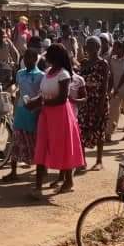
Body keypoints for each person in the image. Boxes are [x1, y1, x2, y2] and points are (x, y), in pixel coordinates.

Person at [28, 43, 84, 198]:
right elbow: (42, 94)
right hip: (46, 115)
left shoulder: (64, 74)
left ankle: (68, 181)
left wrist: (42, 103)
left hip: (61, 116)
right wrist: (33, 102)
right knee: (42, 147)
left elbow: (62, 98)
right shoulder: (47, 72)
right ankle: (38, 187)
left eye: (48, 55)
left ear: (55, 57)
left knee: (62, 148)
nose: (45, 57)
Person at [2, 48, 44, 182]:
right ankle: (13, 171)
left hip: (34, 113)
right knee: (16, 142)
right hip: (20, 111)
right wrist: (13, 94)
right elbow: (18, 88)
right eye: (25, 58)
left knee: (36, 143)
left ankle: (41, 170)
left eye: (29, 57)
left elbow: (42, 94)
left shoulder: (41, 75)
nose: (26, 60)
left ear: (35, 58)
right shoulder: (20, 73)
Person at [78, 36, 110, 170]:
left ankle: (99, 161)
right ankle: (82, 160)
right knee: (82, 130)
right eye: (88, 46)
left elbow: (104, 87)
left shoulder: (103, 64)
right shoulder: (83, 63)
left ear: (98, 48)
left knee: (99, 129)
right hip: (85, 101)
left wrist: (100, 106)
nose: (90, 49)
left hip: (98, 100)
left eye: (93, 46)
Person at [107, 39, 124, 141]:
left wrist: (116, 88)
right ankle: (108, 133)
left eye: (116, 47)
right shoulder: (112, 59)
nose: (114, 49)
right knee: (112, 111)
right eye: (113, 47)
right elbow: (112, 76)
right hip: (116, 90)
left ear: (122, 48)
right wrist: (110, 89)